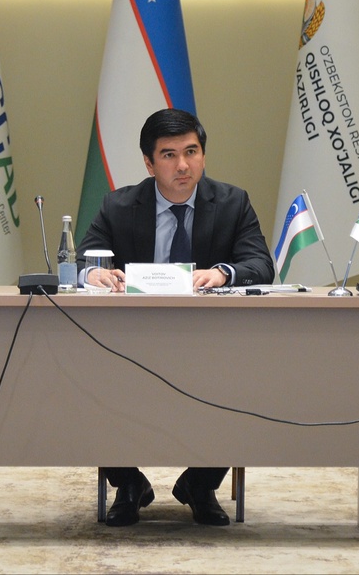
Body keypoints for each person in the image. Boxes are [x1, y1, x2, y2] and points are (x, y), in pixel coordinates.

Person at [76, 108, 274, 527]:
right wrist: (93, 273)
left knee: (242, 379)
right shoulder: (119, 205)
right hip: (131, 342)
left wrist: (223, 272)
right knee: (92, 375)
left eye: (192, 151)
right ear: (149, 164)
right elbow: (82, 259)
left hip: (211, 342)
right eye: (169, 155)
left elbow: (261, 263)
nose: (183, 165)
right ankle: (128, 484)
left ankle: (200, 484)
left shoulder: (233, 203)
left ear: (203, 155)